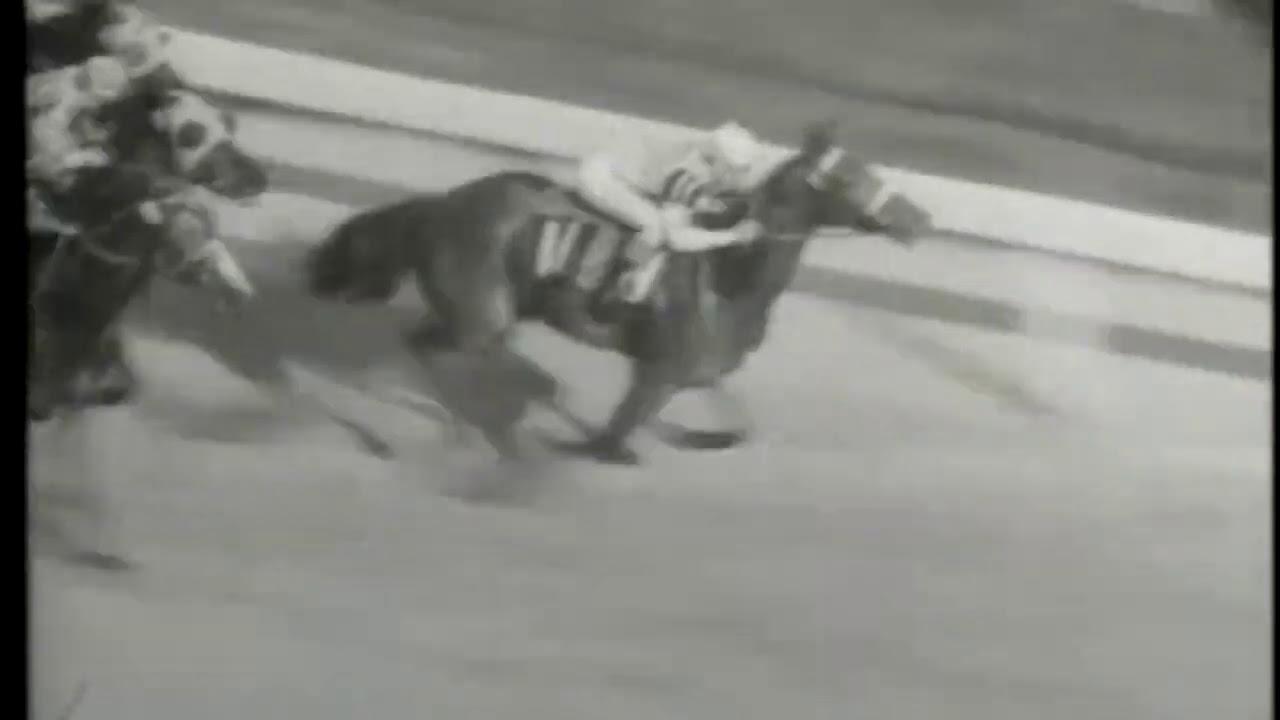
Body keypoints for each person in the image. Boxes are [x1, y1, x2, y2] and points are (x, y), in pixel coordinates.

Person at [570, 121, 769, 311]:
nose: (738, 177)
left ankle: (623, 279)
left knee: (658, 222)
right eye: (736, 170)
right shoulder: (686, 174)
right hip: (600, 177)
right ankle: (619, 283)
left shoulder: (704, 157)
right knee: (654, 226)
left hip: (625, 171)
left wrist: (703, 203)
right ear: (722, 161)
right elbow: (676, 238)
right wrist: (733, 235)